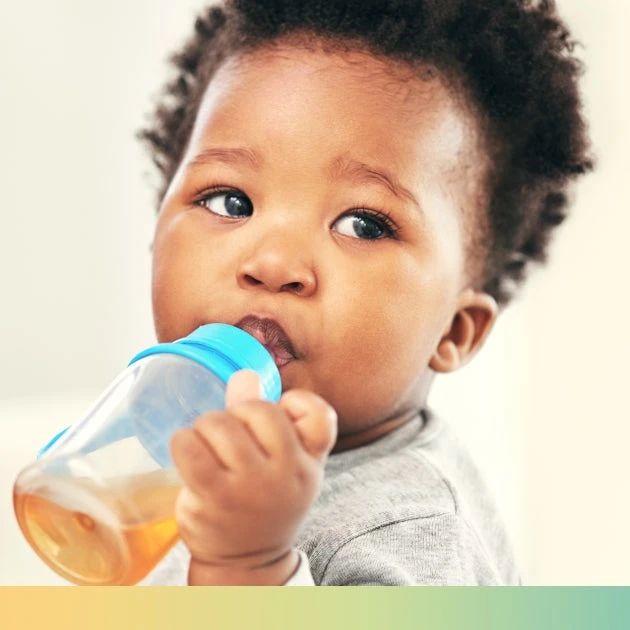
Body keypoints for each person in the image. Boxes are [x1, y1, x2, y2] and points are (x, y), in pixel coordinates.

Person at [136, 0, 592, 585]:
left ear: (453, 331)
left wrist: (248, 567)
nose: (274, 263)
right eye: (231, 201)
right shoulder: (183, 437)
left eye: (363, 225)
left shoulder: (413, 532)